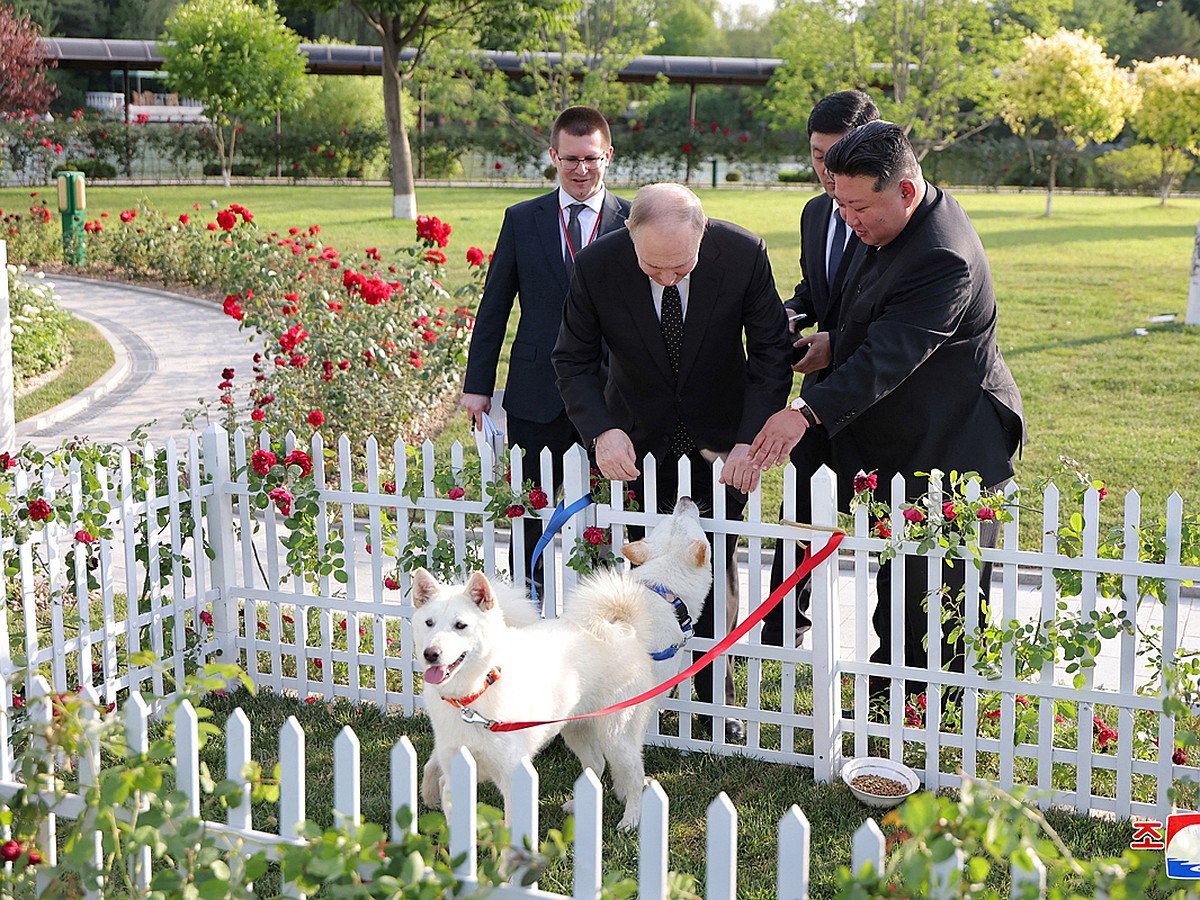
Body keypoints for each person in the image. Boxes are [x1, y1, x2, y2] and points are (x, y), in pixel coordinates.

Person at [745, 121, 1026, 705]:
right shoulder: (885, 225)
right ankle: (889, 691)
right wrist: (831, 345)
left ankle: (927, 709)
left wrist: (806, 412)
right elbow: (868, 316)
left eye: (858, 206)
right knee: (898, 582)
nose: (848, 218)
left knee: (932, 594)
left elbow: (893, 355)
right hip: (901, 433)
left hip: (953, 443)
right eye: (839, 203)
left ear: (904, 190)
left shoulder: (942, 255)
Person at [553, 182, 792, 741]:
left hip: (722, 444)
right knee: (646, 574)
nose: (667, 277)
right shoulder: (596, 266)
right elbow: (573, 359)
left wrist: (748, 439)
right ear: (628, 235)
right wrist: (602, 431)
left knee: (712, 566)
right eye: (653, 267)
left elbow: (771, 355)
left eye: (680, 266)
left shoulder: (743, 254)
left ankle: (714, 707)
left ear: (703, 234)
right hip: (636, 444)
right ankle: (642, 698)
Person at [462, 106, 631, 591]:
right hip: (537, 392)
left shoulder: (632, 218)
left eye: (592, 159)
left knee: (604, 509)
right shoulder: (522, 220)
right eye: (571, 159)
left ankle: (599, 608)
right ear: (554, 156)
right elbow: (494, 306)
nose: (581, 169)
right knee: (529, 510)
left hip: (608, 392)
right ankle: (527, 602)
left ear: (608, 156)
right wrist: (478, 386)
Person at [762, 90, 879, 649]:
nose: (828, 173)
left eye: (839, 156)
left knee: (885, 528)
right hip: (818, 388)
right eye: (816, 156)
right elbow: (818, 289)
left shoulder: (886, 217)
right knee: (799, 515)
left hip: (881, 391)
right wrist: (793, 312)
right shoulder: (814, 212)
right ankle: (786, 625)